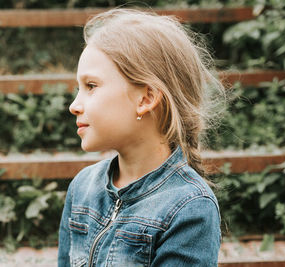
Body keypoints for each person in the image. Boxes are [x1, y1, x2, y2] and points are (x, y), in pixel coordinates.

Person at [57, 8, 225, 267]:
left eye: (91, 86)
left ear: (146, 99)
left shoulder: (190, 207)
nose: (74, 105)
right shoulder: (82, 187)